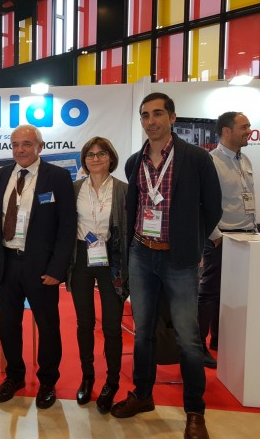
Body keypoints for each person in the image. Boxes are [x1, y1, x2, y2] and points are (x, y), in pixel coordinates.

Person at [110, 93, 221, 439]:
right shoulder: (133, 162)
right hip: (142, 254)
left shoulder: (197, 159)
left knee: (188, 338)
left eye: (158, 113)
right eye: (145, 115)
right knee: (143, 332)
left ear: (172, 117)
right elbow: (134, 207)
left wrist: (191, 242)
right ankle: (143, 395)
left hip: (180, 259)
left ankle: (194, 412)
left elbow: (213, 207)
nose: (151, 120)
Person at [0, 124, 76, 409]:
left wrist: (57, 269)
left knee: (48, 327)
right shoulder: (1, 175)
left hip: (41, 268)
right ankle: (14, 376)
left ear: (40, 146)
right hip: (7, 263)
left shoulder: (58, 177)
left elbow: (67, 227)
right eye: (15, 144)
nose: (20, 149)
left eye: (27, 143)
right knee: (8, 325)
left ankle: (48, 381)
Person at [66, 137, 128, 414]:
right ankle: (87, 375)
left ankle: (111, 382)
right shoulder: (74, 188)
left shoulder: (124, 190)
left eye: (101, 153)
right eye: (90, 154)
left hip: (111, 259)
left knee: (112, 326)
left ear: (110, 157)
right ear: (84, 159)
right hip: (81, 257)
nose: (95, 158)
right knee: (84, 323)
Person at [198, 112, 255, 369]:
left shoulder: (246, 161)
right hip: (221, 239)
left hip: (246, 237)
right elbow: (202, 205)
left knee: (233, 294)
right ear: (226, 131)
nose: (249, 131)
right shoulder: (210, 162)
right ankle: (198, 344)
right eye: (243, 127)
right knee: (209, 293)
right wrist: (216, 237)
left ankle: (221, 341)